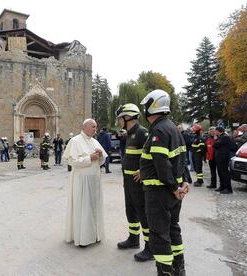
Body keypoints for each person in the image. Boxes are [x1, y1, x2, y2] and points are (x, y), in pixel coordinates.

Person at [139, 89, 191, 276]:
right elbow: (182, 159)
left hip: (159, 191)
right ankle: (179, 269)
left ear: (152, 107)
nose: (144, 109)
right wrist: (183, 182)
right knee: (173, 228)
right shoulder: (172, 128)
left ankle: (165, 272)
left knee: (159, 234)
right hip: (172, 191)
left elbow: (162, 163)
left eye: (146, 105)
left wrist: (173, 187)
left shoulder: (159, 130)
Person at [115, 103, 153, 262]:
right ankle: (133, 239)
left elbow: (152, 155)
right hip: (129, 180)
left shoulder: (142, 133)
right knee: (130, 210)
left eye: (120, 118)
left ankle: (150, 247)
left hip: (138, 182)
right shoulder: (130, 133)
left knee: (143, 212)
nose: (119, 121)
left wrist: (143, 173)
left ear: (128, 117)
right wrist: (126, 178)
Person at [63, 119, 108, 247]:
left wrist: (100, 156)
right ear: (85, 127)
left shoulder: (95, 141)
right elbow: (73, 162)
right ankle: (83, 238)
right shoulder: (75, 141)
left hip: (95, 180)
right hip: (82, 180)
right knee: (84, 209)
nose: (96, 129)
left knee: (94, 208)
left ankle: (95, 235)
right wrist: (90, 158)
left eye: (96, 127)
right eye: (93, 127)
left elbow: (103, 160)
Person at [213, 126, 233, 194]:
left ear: (219, 131)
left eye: (215, 131)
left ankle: (228, 188)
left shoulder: (225, 137)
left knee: (225, 173)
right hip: (219, 158)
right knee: (220, 173)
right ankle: (222, 186)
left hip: (223, 158)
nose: (214, 132)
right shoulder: (220, 137)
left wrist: (215, 140)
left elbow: (215, 145)